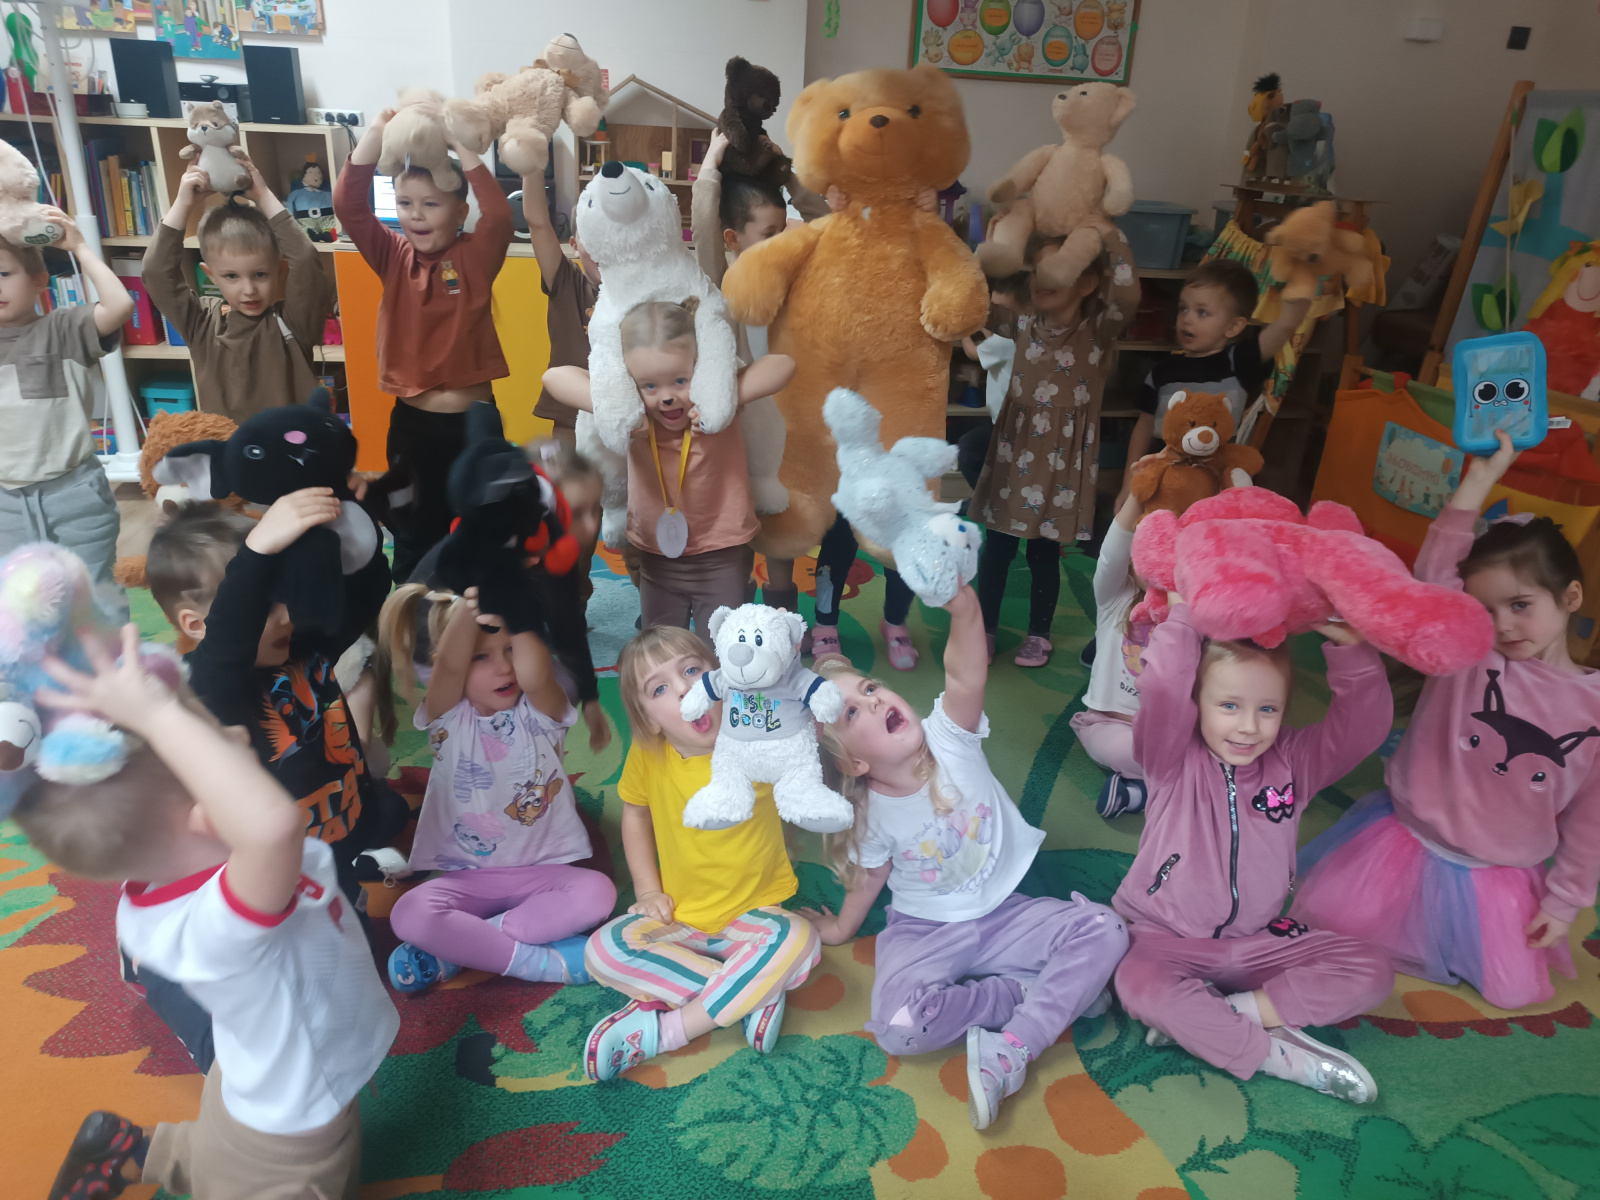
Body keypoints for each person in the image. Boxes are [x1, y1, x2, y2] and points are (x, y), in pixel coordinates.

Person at [23, 624, 397, 1200]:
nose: (238, 733)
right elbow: (272, 826)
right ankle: (145, 1155)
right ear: (208, 815)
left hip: (280, 1079)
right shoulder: (216, 922)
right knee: (242, 1173)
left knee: (221, 1153)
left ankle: (134, 1152)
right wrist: (156, 718)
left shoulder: (193, 878)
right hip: (285, 1149)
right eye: (221, 744)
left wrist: (160, 705)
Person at [1293, 431, 1600, 1010]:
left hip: (1497, 872)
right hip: (1403, 840)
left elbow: (1592, 820)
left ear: (1571, 597)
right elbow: (1433, 583)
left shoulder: (1593, 709)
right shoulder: (1465, 647)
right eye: (1486, 608)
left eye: (1521, 605)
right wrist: (1478, 482)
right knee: (1332, 929)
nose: (1503, 625)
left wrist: (1564, 902)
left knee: (1513, 993)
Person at [802, 584, 1127, 1129]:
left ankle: (1014, 1047)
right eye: (853, 711)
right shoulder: (868, 813)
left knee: (1107, 930)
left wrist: (966, 606)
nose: (876, 699)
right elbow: (870, 876)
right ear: (854, 764)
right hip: (924, 930)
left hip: (1008, 913)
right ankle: (1027, 992)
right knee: (898, 1027)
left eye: (870, 687)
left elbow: (965, 675)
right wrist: (838, 928)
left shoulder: (950, 736)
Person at [1111, 596, 1395, 1104]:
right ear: (1196, 703)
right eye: (1229, 706)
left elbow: (1362, 730)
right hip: (1164, 936)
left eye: (1268, 709)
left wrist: (1352, 651)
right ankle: (1277, 1058)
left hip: (1258, 941)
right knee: (1135, 983)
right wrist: (1182, 613)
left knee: (1371, 969)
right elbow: (1163, 689)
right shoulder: (1169, 756)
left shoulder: (1294, 761)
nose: (1248, 727)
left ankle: (1231, 1015)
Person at [580, 626, 820, 1080]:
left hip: (754, 915)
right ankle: (755, 991)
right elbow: (636, 815)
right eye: (660, 689)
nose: (684, 689)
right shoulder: (648, 753)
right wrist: (648, 891)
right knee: (602, 950)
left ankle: (669, 1030)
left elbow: (800, 731)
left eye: (692, 671)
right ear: (650, 720)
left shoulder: (755, 733)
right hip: (678, 917)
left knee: (801, 939)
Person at [146, 498, 406, 907]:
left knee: (385, 823)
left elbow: (361, 598)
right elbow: (230, 638)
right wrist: (257, 552)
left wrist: (353, 529)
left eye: (283, 595)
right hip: (285, 873)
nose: (286, 614)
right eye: (264, 604)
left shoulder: (300, 646)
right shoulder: (209, 685)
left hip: (344, 822)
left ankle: (359, 867)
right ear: (196, 625)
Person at [375, 583, 616, 992]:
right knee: (409, 913)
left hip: (545, 872)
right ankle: (535, 963)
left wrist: (510, 598)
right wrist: (469, 606)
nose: (505, 668)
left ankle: (458, 947)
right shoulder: (445, 718)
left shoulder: (541, 712)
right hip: (468, 877)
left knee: (599, 894)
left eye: (511, 650)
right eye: (481, 657)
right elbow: (451, 668)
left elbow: (536, 674)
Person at [542, 300, 795, 639]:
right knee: (662, 649)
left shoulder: (715, 405)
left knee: (717, 652)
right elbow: (553, 377)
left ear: (700, 370)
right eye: (650, 386)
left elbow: (783, 365)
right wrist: (619, 408)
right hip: (657, 558)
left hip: (720, 556)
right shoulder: (636, 414)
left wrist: (724, 397)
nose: (666, 397)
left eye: (679, 380)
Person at [334, 107, 513, 581]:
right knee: (414, 530)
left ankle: (483, 615)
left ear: (460, 212)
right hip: (413, 428)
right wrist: (377, 132)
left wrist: (458, 143)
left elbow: (499, 214)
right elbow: (348, 205)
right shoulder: (393, 255)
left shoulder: (476, 256)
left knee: (486, 528)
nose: (415, 214)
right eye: (405, 203)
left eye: (431, 204)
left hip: (474, 424)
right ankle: (412, 618)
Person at [971, 228, 1141, 668]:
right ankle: (983, 629)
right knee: (997, 549)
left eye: (1055, 271)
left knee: (1044, 552)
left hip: (1060, 467)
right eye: (1036, 270)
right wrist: (994, 247)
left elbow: (1127, 296)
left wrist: (1108, 235)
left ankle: (1038, 634)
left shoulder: (1096, 331)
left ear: (1087, 283)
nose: (1040, 280)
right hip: (1015, 455)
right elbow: (972, 301)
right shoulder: (1021, 322)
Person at [0, 214, 134, 624]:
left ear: (40, 281)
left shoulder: (64, 328)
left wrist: (78, 247)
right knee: (20, 608)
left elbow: (120, 306)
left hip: (75, 494)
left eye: (3, 274)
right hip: (5, 503)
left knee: (94, 599)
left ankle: (113, 661)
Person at [143, 156, 333, 421]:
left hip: (289, 448)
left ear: (279, 271)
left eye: (260, 274)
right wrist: (184, 204)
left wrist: (263, 196)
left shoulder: (294, 321)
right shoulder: (202, 323)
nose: (249, 290)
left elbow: (305, 260)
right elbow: (157, 273)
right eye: (231, 276)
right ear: (211, 276)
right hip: (228, 447)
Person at [1117, 258, 1310, 504]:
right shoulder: (1162, 371)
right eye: (1183, 309)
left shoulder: (1239, 362)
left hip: (1215, 481)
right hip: (1163, 479)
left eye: (1202, 312)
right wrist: (1128, 485)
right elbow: (1144, 427)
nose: (1187, 319)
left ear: (1233, 326)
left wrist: (1300, 291)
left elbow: (1284, 327)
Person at [1071, 488, 1155, 817]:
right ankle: (1162, 788)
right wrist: (1138, 492)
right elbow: (1111, 554)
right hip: (1107, 725)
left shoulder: (1188, 613)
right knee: (1131, 752)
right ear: (1132, 561)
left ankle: (1138, 793)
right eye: (1148, 556)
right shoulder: (1115, 599)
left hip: (1169, 734)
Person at [522, 164, 599, 449]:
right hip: (570, 420)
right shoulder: (567, 281)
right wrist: (532, 163)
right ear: (574, 245)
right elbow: (538, 222)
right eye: (592, 235)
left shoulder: (639, 291)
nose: (602, 245)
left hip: (624, 421)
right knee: (570, 478)